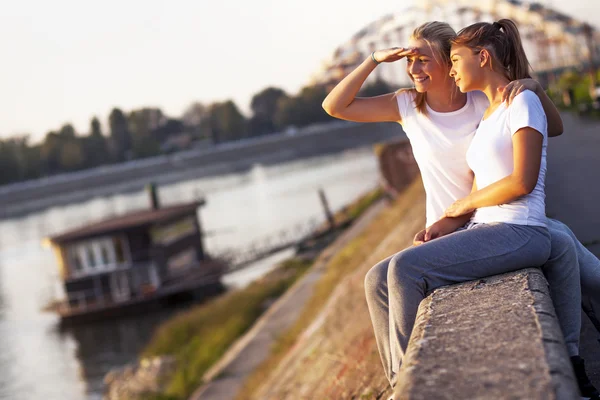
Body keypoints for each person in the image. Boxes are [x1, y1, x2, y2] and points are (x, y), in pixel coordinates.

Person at [322, 20, 600, 399]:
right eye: (410, 60)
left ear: (454, 61)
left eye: (424, 59)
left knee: (564, 242)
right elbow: (334, 106)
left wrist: (533, 86)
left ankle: (574, 363)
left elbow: (544, 133)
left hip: (493, 218)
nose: (414, 67)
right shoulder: (408, 105)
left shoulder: (484, 100)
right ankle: (399, 383)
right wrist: (374, 59)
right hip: (460, 225)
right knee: (376, 279)